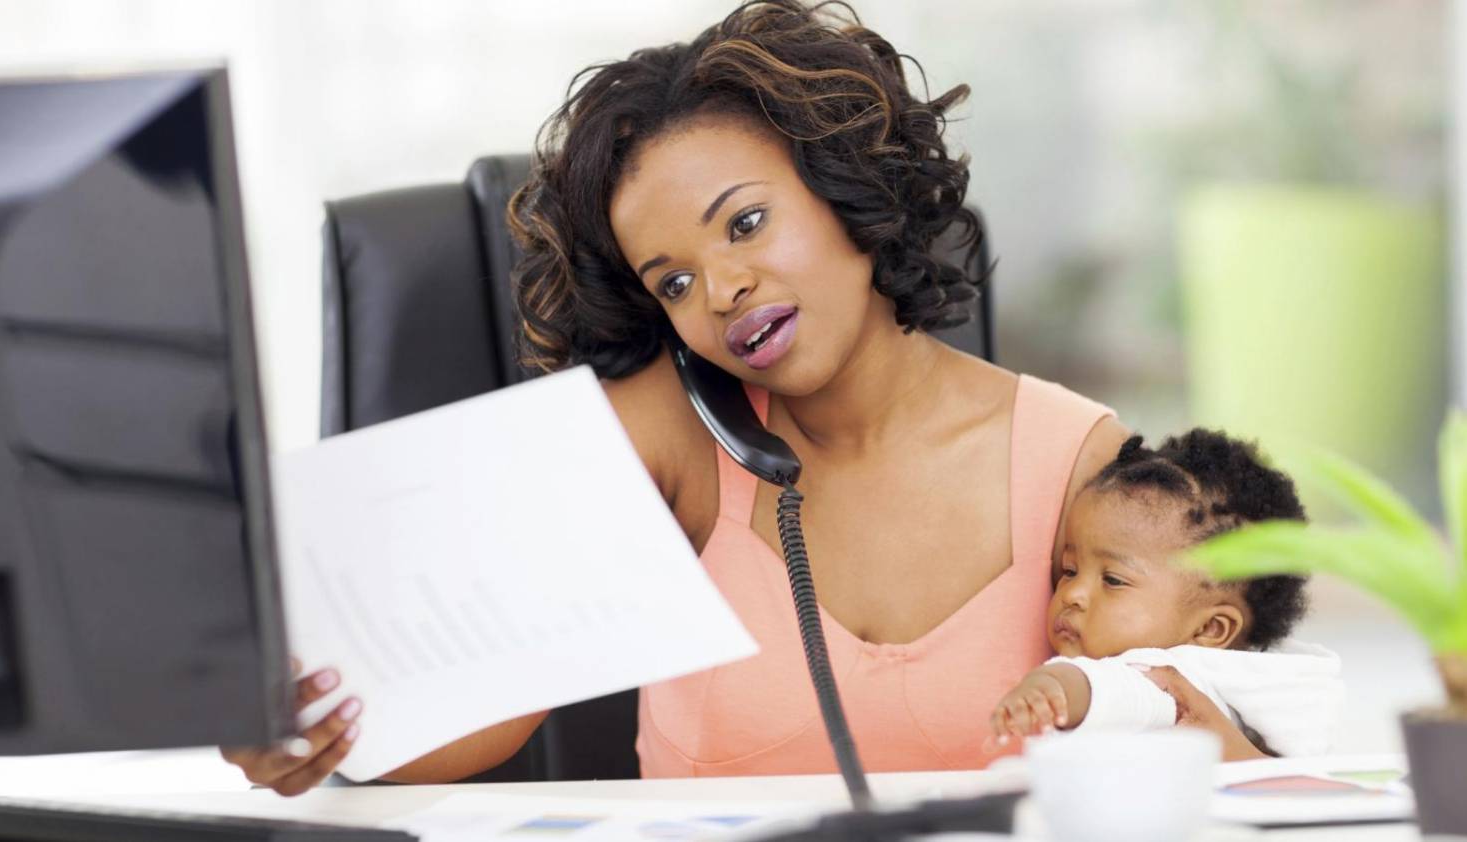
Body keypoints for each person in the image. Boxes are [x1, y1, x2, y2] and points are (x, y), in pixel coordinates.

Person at [223, 0, 1265, 795]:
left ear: (846, 187)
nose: (721, 289)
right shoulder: (665, 434)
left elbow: (1215, 722)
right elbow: (469, 698)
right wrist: (327, 736)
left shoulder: (1078, 463)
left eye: (746, 223)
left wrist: (1221, 755)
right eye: (671, 279)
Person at [987, 430, 1343, 758]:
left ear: (1210, 629)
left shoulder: (1164, 678)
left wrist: (1050, 687)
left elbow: (1110, 690)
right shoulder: (1277, 689)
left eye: (1112, 579)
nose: (1073, 594)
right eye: (1069, 570)